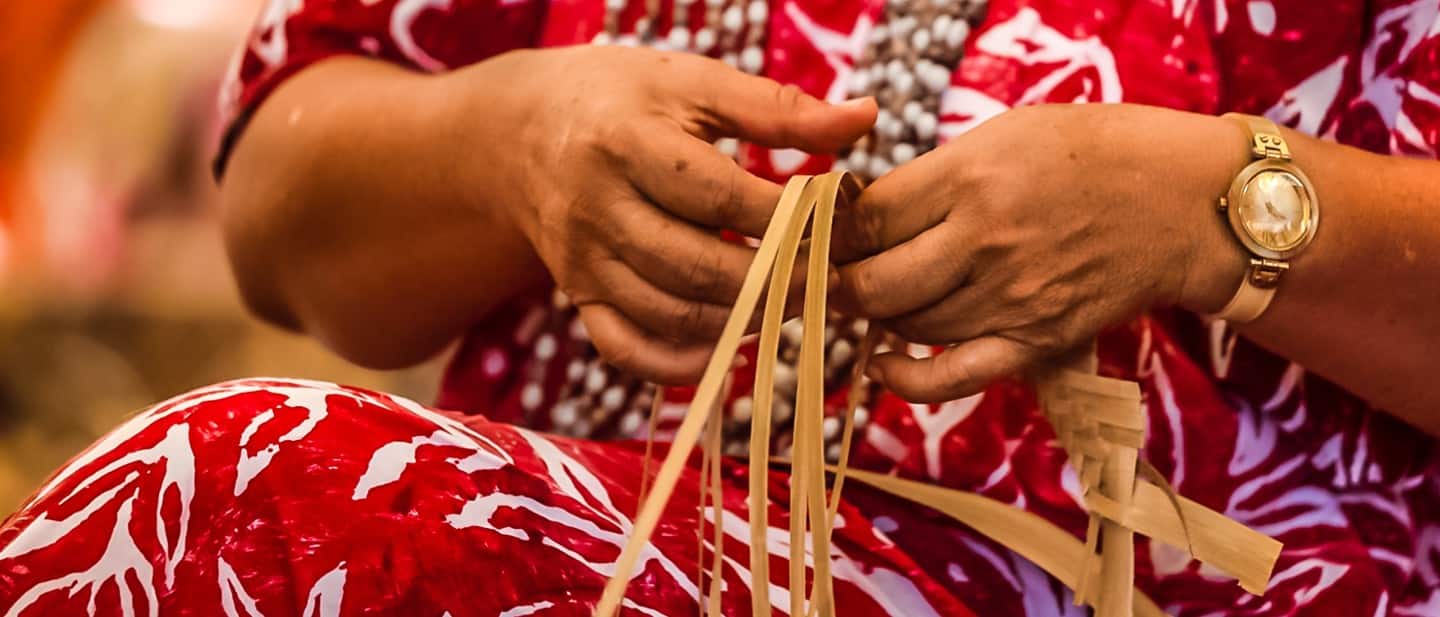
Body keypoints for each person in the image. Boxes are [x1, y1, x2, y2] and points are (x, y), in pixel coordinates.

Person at [3, 0, 1439, 614]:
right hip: (581, 541)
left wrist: (1223, 211)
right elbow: (278, 220)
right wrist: (508, 146)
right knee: (224, 511)